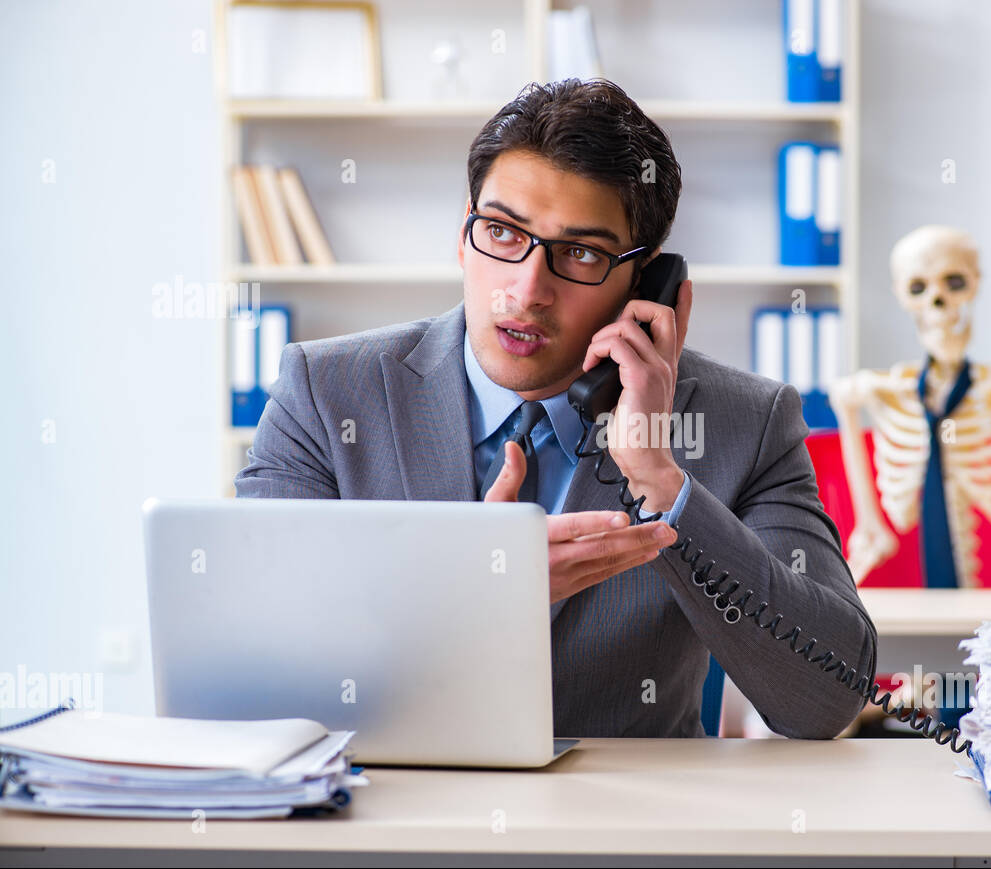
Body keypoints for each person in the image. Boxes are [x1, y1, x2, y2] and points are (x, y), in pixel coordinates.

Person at [235, 78, 875, 739]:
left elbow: (826, 699)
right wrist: (467, 593)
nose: (527, 288)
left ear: (648, 281)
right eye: (503, 232)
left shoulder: (748, 421)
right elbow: (246, 666)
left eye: (580, 253)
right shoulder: (325, 391)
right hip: (390, 822)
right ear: (463, 232)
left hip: (620, 834)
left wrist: (662, 479)